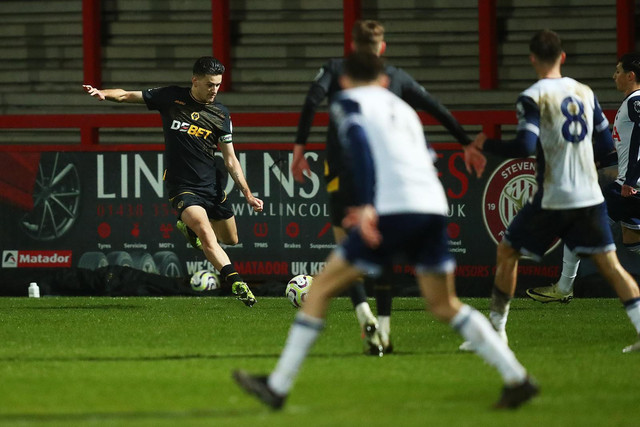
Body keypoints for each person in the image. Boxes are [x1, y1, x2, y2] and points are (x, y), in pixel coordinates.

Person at [233, 52, 537, 410]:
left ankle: (278, 387)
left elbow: (359, 145)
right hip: (432, 207)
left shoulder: (347, 101)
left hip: (393, 210)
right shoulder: (402, 109)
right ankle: (517, 378)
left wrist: (363, 205)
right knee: (445, 305)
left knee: (320, 290)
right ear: (382, 79)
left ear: (344, 81)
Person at [291, 19, 485, 354]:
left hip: (342, 171)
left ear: (352, 47)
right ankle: (383, 328)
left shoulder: (337, 70)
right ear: (382, 48)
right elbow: (433, 106)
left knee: (346, 251)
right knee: (382, 254)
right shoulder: (395, 78)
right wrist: (466, 141)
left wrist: (299, 148)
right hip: (386, 181)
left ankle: (362, 313)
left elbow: (312, 99)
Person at [461, 30, 640, 353]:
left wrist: (486, 143)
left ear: (532, 59)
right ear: (563, 57)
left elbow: (524, 146)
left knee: (507, 252)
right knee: (611, 265)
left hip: (554, 195)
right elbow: (604, 147)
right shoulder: (584, 92)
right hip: (589, 193)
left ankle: (496, 332)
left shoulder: (533, 96)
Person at [83, 56, 263, 307]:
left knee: (230, 239)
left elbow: (230, 159)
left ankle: (189, 230)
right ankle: (235, 281)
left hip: (212, 187)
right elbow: (126, 96)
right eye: (210, 84)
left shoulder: (220, 114)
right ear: (195, 81)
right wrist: (103, 93)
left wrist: (247, 194)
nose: (215, 90)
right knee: (206, 234)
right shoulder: (171, 98)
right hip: (182, 187)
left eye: (218, 85)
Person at [526, 52, 640, 303]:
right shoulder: (632, 102)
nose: (614, 76)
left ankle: (564, 287)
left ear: (631, 76)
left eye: (619, 71)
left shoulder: (636, 101)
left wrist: (631, 179)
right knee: (632, 240)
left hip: (631, 187)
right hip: (629, 185)